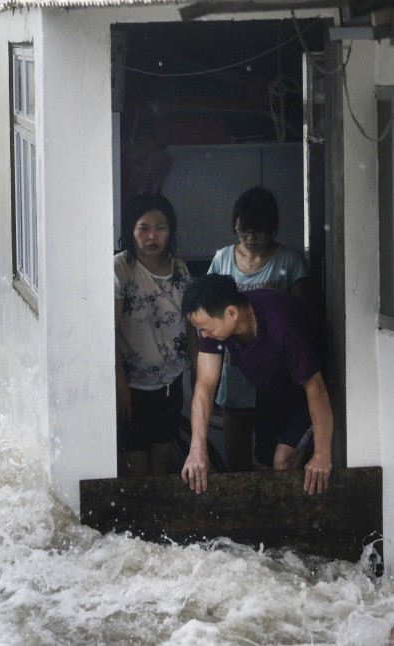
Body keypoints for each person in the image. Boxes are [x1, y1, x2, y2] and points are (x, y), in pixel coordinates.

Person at [180, 274, 332, 495]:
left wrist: (322, 455)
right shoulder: (216, 322)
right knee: (263, 462)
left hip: (308, 390)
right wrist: (197, 449)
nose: (204, 335)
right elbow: (205, 386)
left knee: (283, 460)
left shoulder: (281, 323)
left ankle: (290, 524)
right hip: (270, 389)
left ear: (231, 313)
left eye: (206, 329)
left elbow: (315, 387)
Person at [207, 186, 310, 470]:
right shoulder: (223, 260)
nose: (251, 238)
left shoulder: (289, 261)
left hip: (278, 377)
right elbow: (208, 312)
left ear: (272, 229)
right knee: (237, 464)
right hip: (236, 374)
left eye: (259, 231)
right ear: (235, 226)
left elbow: (304, 317)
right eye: (244, 231)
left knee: (273, 459)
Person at [114, 193, 195, 476]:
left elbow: (192, 326)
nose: (152, 236)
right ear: (131, 230)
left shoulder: (180, 269)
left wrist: (198, 376)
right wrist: (120, 385)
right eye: (144, 228)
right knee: (135, 471)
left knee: (160, 468)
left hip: (171, 385)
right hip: (132, 389)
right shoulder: (120, 268)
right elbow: (109, 333)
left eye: (160, 227)